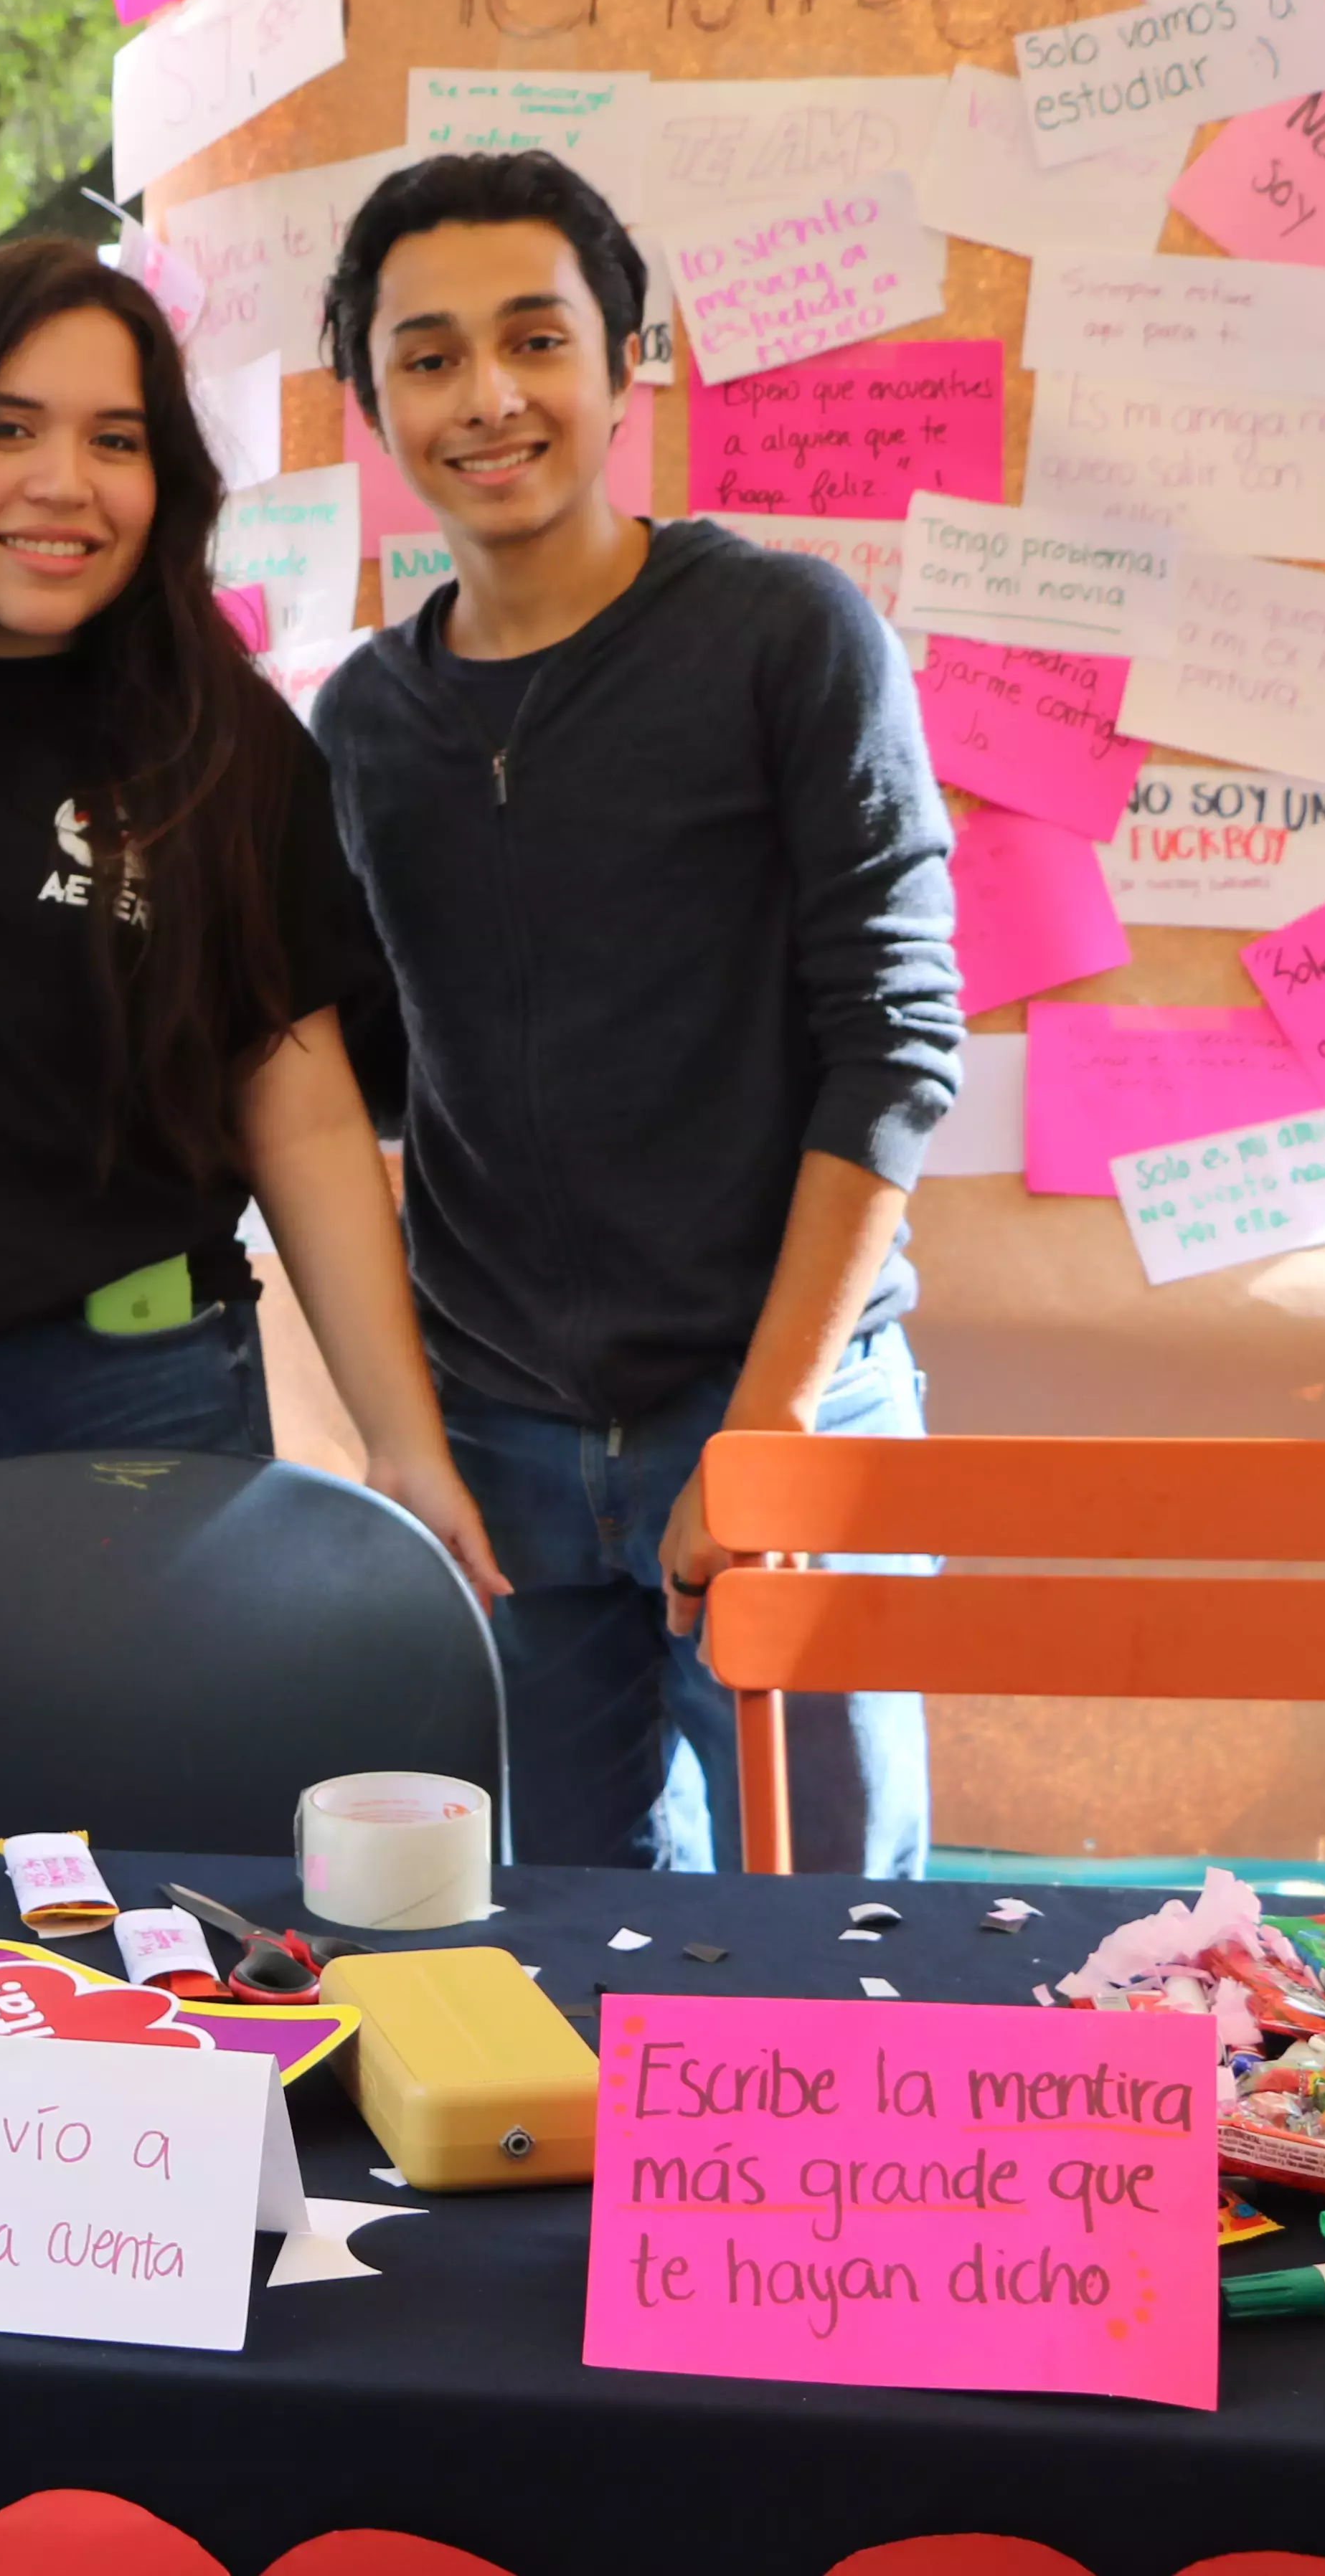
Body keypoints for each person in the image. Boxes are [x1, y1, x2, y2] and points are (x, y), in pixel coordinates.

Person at [308, 151, 962, 1877]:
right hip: (501, 1444)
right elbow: (361, 1080)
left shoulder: (781, 636)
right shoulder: (366, 718)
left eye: (537, 338)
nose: (489, 395)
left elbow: (894, 1051)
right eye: (430, 355)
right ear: (369, 398)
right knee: (549, 1943)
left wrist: (760, 1434)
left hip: (781, 1407)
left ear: (627, 360)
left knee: (828, 1944)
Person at [0, 241, 505, 1622]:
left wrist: (406, 1447)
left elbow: (303, 1122)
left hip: (138, 1388)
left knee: (145, 1824)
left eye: (114, 440)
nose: (62, 482)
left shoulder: (222, 746)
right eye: (5, 428)